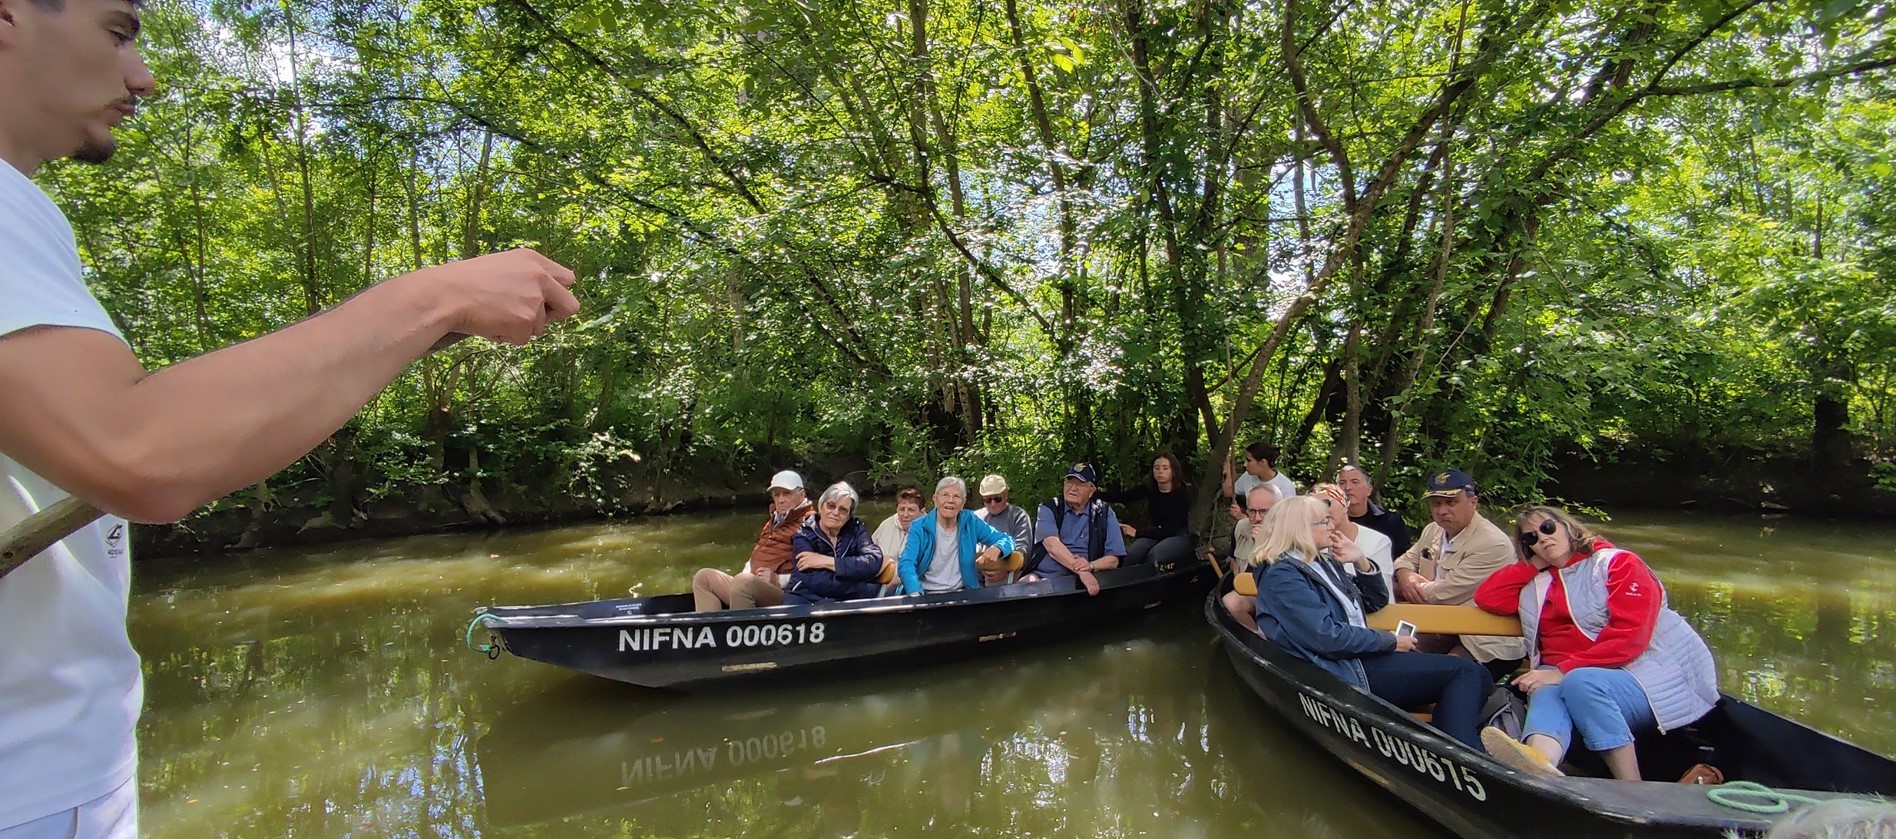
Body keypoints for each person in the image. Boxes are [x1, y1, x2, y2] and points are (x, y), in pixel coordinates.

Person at [0, 5, 582, 834]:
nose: (144, 75)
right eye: (118, 31)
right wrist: (436, 293)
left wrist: (423, 323)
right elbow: (137, 449)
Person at [1474, 506, 1719, 780]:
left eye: (1547, 528)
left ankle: (1631, 786)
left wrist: (1562, 670)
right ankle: (1539, 766)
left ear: (1567, 527)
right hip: (1574, 678)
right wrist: (1531, 565)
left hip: (1645, 675)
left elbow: (1630, 637)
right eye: (1530, 539)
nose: (1542, 539)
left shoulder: (1617, 564)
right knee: (1547, 688)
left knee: (1577, 682)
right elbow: (1488, 597)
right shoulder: (1538, 583)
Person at [1250, 496, 1492, 751]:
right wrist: (1390, 641)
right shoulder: (1282, 574)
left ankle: (1449, 749)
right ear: (1300, 529)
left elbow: (1375, 602)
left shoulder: (1321, 561)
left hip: (1357, 657)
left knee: (1475, 675)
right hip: (1341, 670)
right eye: (1324, 522)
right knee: (1466, 673)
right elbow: (1325, 637)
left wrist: (1361, 561)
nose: (1332, 527)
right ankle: (1468, 756)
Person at [1390, 469, 1526, 678]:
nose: (1442, 510)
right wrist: (1406, 575)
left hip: (1483, 638)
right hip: (1438, 627)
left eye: (1451, 502)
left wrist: (1403, 587)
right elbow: (1404, 560)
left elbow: (1442, 595)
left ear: (1473, 502)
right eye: (1436, 503)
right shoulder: (1432, 530)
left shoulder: (1492, 543)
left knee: (1441, 678)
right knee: (1393, 659)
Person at [691, 471, 809, 612]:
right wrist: (746, 572)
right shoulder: (774, 520)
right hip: (751, 585)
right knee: (704, 577)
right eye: (777, 495)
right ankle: (710, 631)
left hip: (785, 596)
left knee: (743, 583)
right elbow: (758, 554)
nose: (781, 500)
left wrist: (779, 580)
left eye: (786, 494)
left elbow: (814, 575)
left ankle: (739, 632)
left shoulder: (810, 523)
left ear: (801, 495)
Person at [896, 477, 1017, 595]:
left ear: (963, 503)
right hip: (925, 593)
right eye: (945, 495)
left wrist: (997, 548)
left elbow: (1007, 540)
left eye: (956, 496)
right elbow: (906, 563)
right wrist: (915, 592)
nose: (950, 500)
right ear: (935, 499)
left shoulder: (970, 521)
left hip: (962, 593)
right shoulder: (919, 526)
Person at [1023, 463, 1125, 596]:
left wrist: (1090, 566)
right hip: (1044, 577)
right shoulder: (1049, 508)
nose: (1073, 488)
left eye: (1080, 484)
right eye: (1069, 482)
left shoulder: (1103, 512)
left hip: (1085, 582)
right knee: (1019, 591)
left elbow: (1113, 559)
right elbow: (1052, 546)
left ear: (1092, 490)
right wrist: (1081, 571)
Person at [782, 482, 886, 606]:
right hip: (804, 600)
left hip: (846, 602)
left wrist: (827, 561)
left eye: (843, 510)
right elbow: (817, 582)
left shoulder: (857, 530)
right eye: (831, 506)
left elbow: (873, 561)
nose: (835, 513)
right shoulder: (803, 534)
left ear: (849, 516)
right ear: (821, 507)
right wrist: (864, 586)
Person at [1098, 451, 1193, 568]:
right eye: (1156, 468)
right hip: (1154, 532)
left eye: (1165, 468)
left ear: (1173, 471)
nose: (1160, 471)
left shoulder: (1183, 494)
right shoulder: (1150, 488)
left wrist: (1137, 533)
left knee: (1155, 555)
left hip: (1177, 535)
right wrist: (1094, 494)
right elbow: (1123, 496)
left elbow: (1170, 529)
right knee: (1133, 555)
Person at [1312, 482, 1393, 596]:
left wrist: (1361, 562)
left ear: (1345, 505)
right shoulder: (1311, 543)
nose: (1321, 510)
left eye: (1327, 503)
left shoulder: (1377, 541)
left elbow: (1383, 593)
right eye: (1314, 506)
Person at [1219, 483, 1280, 633]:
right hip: (1250, 592)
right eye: (1252, 511)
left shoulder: (1288, 533)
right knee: (1231, 601)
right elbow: (1234, 561)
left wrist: (1264, 544)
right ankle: (1256, 635)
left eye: (1264, 512)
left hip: (1278, 594)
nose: (1256, 518)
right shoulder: (1240, 527)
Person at [1336, 463, 1414, 556]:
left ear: (1368, 489)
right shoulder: (1330, 522)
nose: (1348, 488)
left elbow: (1403, 559)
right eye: (1342, 483)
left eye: (1355, 482)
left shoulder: (1391, 521)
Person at [973, 473, 1033, 581]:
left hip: (1010, 576)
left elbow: (1023, 551)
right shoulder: (975, 518)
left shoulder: (1018, 516)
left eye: (997, 499)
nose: (992, 504)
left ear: (1006, 494)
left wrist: (1005, 569)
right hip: (977, 577)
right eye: (987, 500)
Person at [1223, 441, 1297, 522]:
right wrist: (1228, 470)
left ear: (1263, 462)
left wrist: (1243, 518)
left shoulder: (1285, 486)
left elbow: (1287, 521)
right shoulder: (1248, 477)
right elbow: (1229, 492)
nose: (1245, 464)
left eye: (1249, 460)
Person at [872, 487, 924, 562]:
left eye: (911, 510)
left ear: (922, 511)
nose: (905, 515)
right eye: (902, 509)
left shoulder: (930, 530)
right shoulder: (886, 525)